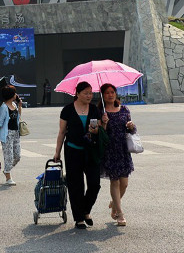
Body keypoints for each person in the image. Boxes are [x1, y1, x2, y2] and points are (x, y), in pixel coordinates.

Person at [53, 81, 108, 230]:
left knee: (94, 184)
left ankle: (85, 210)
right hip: (73, 151)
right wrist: (57, 151)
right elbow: (62, 132)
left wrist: (102, 125)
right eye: (86, 93)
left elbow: (96, 132)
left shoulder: (94, 110)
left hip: (90, 151)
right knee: (75, 185)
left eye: (91, 93)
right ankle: (79, 219)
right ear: (77, 94)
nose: (90, 96)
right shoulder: (68, 110)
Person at [99, 83, 136, 226]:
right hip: (109, 151)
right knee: (114, 181)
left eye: (112, 92)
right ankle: (120, 214)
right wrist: (104, 124)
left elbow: (131, 130)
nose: (110, 94)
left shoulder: (124, 109)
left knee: (124, 184)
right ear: (102, 95)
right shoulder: (100, 112)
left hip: (123, 150)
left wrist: (131, 126)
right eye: (107, 92)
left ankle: (114, 202)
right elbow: (99, 134)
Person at [0, 85, 22, 186]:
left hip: (15, 133)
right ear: (11, 95)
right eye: (14, 93)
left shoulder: (14, 105)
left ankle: (6, 170)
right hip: (7, 135)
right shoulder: (3, 108)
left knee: (17, 156)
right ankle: (8, 176)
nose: (16, 94)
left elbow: (19, 117)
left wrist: (19, 106)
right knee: (9, 157)